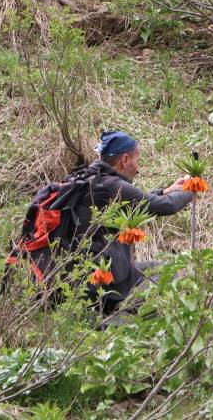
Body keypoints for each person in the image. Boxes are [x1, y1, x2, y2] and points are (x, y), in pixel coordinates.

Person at [85, 130, 193, 314]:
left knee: (158, 268)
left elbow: (135, 201)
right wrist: (192, 187)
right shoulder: (114, 186)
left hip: (83, 277)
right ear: (125, 160)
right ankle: (119, 323)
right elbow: (166, 206)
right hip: (106, 281)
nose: (138, 168)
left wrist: (166, 190)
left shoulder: (91, 180)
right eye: (137, 161)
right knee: (166, 270)